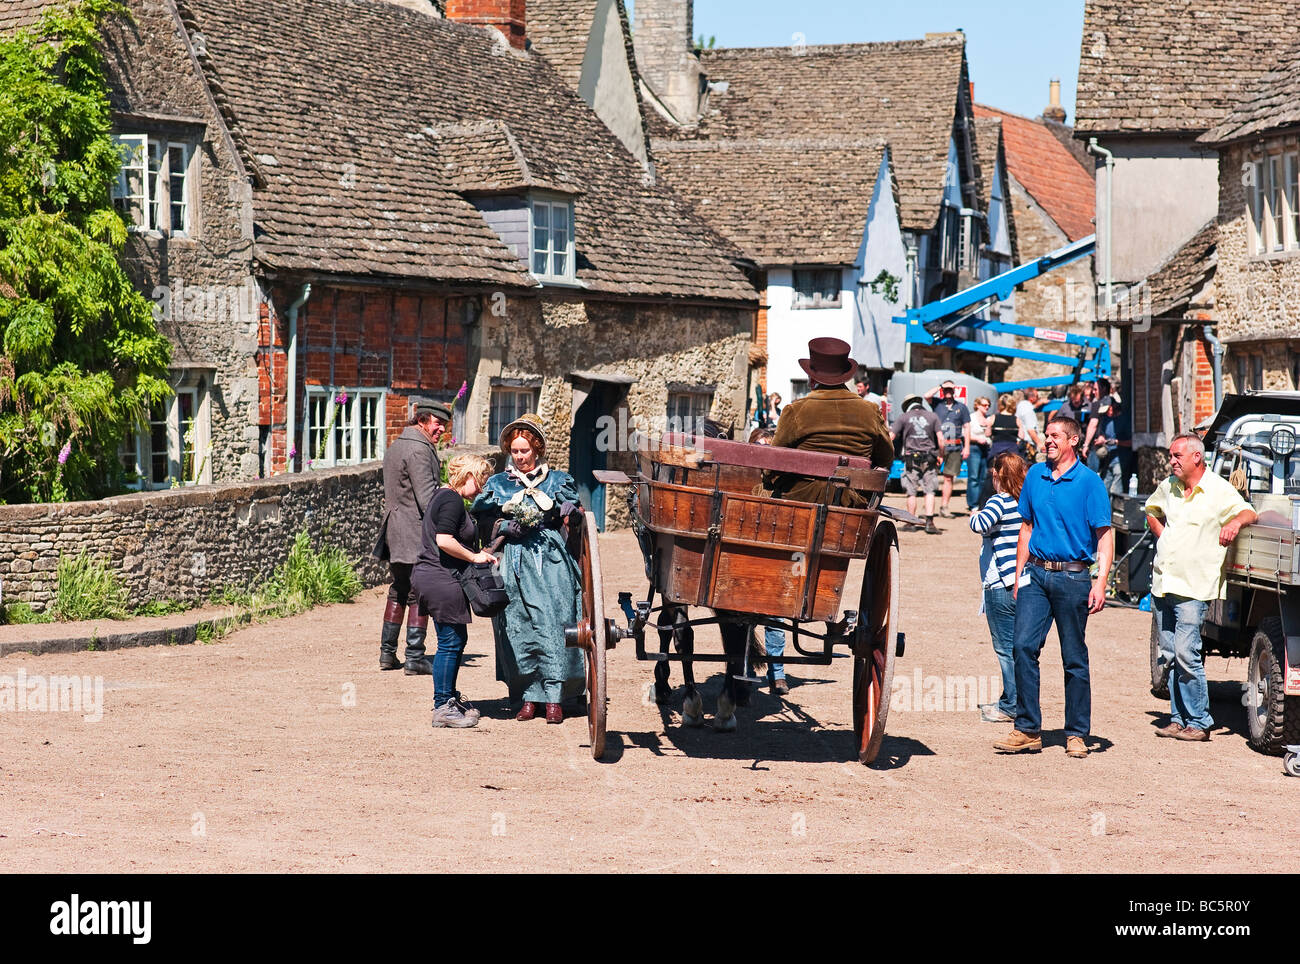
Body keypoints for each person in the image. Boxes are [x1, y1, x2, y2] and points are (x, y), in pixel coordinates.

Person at [994, 415, 1113, 759]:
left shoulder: (1089, 482)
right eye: (1046, 435)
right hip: (1035, 575)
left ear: (1073, 441)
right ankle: (1027, 728)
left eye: (1055, 435)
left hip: (1074, 578)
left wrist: (1100, 581)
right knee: (1022, 647)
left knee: (1073, 657)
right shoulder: (1035, 475)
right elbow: (1026, 529)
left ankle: (1076, 733)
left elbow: (1105, 537)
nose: (1048, 440)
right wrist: (1017, 576)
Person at [471, 413, 585, 724]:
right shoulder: (497, 484)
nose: (520, 457)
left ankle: (555, 698)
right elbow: (481, 520)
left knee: (553, 625)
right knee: (518, 627)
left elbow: (574, 514)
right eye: (515, 451)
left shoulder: (557, 480)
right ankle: (527, 697)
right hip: (513, 561)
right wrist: (504, 524)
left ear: (537, 449)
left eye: (526, 450)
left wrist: (569, 512)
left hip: (549, 559)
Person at [1144, 433, 1256, 742]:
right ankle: (1178, 719)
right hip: (1164, 581)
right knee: (1168, 654)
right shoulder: (1169, 486)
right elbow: (1151, 510)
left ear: (1197, 457)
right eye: (1171, 455)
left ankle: (1200, 721)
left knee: (1185, 653)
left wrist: (1234, 524)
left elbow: (1249, 511)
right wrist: (1163, 535)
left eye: (1177, 455)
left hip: (1195, 586)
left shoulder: (1219, 490)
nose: (1172, 460)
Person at [412, 454, 497, 728]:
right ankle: (442, 706)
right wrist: (474, 558)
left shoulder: (441, 496)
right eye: (481, 481)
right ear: (469, 475)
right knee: (450, 642)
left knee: (455, 639)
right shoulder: (450, 499)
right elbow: (444, 540)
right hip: (440, 578)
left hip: (433, 576)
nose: (482, 489)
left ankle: (449, 699)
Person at [766, 337, 893, 508]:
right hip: (853, 500)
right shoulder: (870, 410)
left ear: (812, 379)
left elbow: (774, 460)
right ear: (844, 377)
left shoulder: (795, 410)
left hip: (800, 498)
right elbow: (886, 456)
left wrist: (766, 480)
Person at [371, 399, 450, 674]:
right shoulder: (419, 449)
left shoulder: (397, 445)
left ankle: (387, 654)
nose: (441, 430)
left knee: (399, 588)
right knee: (419, 594)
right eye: (438, 423)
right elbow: (427, 499)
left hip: (395, 531)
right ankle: (415, 657)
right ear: (423, 421)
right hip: (414, 533)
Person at [970, 453, 1029, 724]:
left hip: (1000, 582)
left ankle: (1011, 705)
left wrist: (974, 514)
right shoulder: (1025, 502)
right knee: (1019, 647)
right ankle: (1016, 699)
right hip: (1023, 582)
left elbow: (980, 524)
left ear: (998, 475)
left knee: (1005, 648)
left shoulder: (1000, 500)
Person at [750, 427, 790, 695]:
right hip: (750, 558)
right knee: (743, 620)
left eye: (768, 447)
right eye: (758, 447)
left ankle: (777, 673)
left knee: (775, 618)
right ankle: (743, 667)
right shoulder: (749, 483)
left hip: (778, 558)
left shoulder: (787, 486)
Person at [890, 394, 942, 534]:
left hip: (911, 459)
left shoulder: (903, 417)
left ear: (907, 405)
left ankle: (911, 522)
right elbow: (941, 439)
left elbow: (890, 437)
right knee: (930, 490)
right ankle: (929, 523)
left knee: (911, 491)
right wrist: (941, 455)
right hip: (929, 458)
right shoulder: (933, 416)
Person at [926, 380, 970, 518]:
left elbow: (967, 428)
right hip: (936, 446)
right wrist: (940, 385)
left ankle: (944, 506)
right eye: (946, 389)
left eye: (951, 389)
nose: (948, 392)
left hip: (955, 446)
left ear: (955, 391)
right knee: (930, 475)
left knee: (949, 478)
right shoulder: (937, 404)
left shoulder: (962, 407)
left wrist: (967, 447)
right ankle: (929, 506)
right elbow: (926, 396)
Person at [966, 395, 992, 511]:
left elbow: (990, 434)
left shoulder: (989, 418)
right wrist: (977, 439)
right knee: (973, 477)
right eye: (984, 405)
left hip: (986, 449)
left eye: (988, 405)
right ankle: (973, 504)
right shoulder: (971, 418)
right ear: (977, 405)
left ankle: (982, 502)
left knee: (983, 477)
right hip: (974, 448)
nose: (987, 407)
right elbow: (965, 435)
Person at [1015, 388, 1043, 460]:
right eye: (1037, 396)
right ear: (1031, 398)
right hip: (1027, 445)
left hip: (1020, 443)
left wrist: (1038, 404)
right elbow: (1030, 430)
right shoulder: (1028, 411)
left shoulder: (1021, 405)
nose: (1038, 398)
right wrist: (1040, 444)